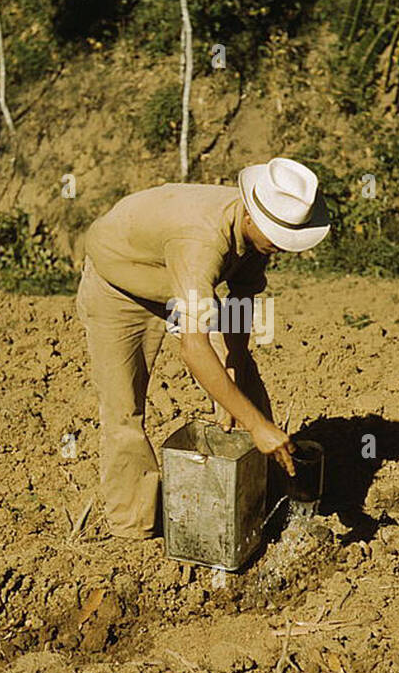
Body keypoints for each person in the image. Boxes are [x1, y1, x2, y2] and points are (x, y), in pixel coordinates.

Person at [76, 156, 331, 539]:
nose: (281, 249)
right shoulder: (201, 239)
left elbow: (241, 301)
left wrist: (234, 368)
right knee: (123, 408)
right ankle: (133, 526)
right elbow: (194, 349)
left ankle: (267, 497)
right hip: (121, 286)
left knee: (243, 379)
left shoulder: (256, 237)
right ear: (250, 217)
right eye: (277, 239)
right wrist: (255, 425)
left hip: (183, 283)